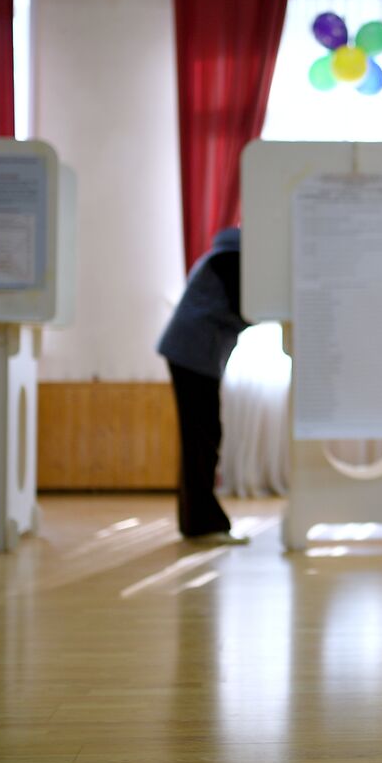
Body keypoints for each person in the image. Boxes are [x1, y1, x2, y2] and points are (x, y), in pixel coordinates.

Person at [158, 226, 251, 543]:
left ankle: (198, 522)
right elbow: (246, 307)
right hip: (193, 354)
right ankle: (203, 524)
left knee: (202, 435)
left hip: (191, 355)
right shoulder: (230, 259)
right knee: (203, 436)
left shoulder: (223, 255)